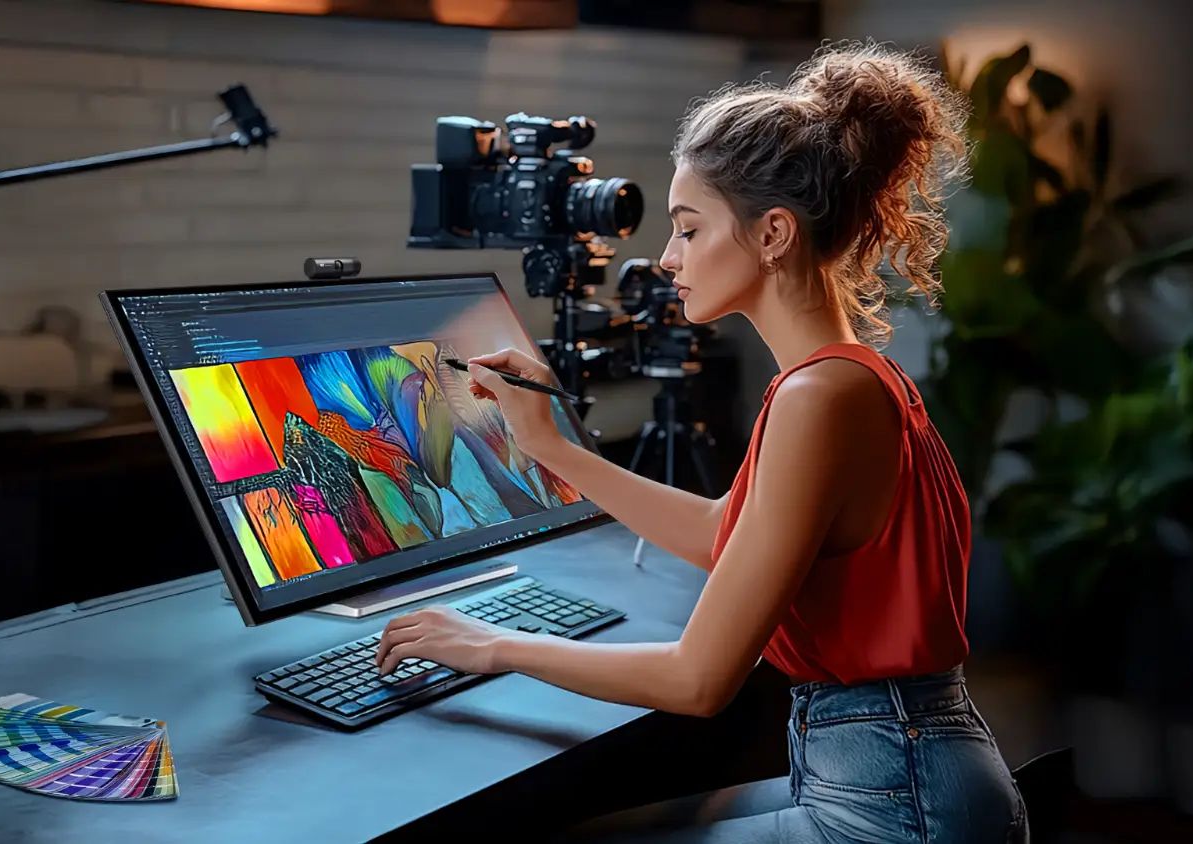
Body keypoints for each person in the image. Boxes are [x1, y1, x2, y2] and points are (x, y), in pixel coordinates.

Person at [374, 40, 1028, 843]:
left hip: (897, 798)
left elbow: (699, 679)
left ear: (774, 233)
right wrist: (553, 445)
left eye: (688, 230)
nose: (668, 258)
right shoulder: (850, 378)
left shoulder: (818, 396)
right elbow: (731, 535)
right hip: (900, 770)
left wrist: (494, 646)